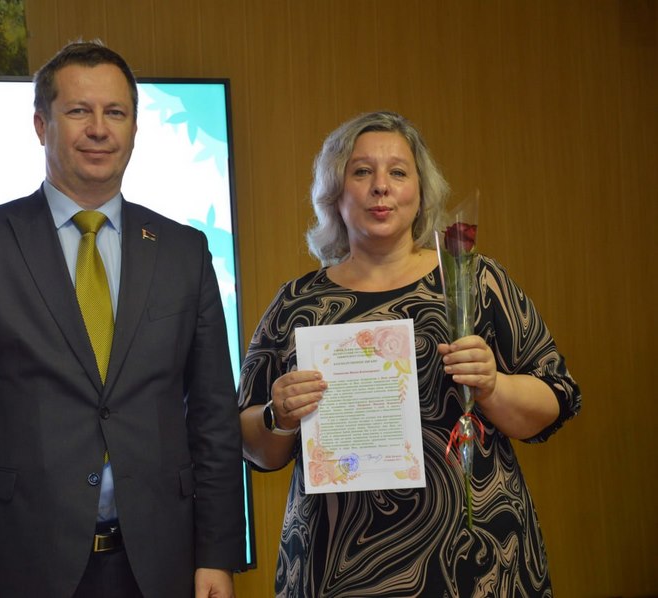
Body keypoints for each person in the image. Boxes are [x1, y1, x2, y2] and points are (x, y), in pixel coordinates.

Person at [0, 40, 245, 598]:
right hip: (19, 561)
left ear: (135, 128)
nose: (99, 129)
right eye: (79, 111)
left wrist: (217, 552)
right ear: (42, 125)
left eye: (116, 113)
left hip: (163, 563)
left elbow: (212, 416)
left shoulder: (184, 251)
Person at [238, 111, 581, 596]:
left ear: (421, 192)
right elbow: (251, 444)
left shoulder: (472, 281)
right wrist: (279, 416)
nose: (381, 186)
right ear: (335, 192)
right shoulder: (296, 303)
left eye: (398, 172)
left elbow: (556, 399)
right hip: (333, 566)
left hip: (474, 560)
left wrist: (493, 386)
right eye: (361, 171)